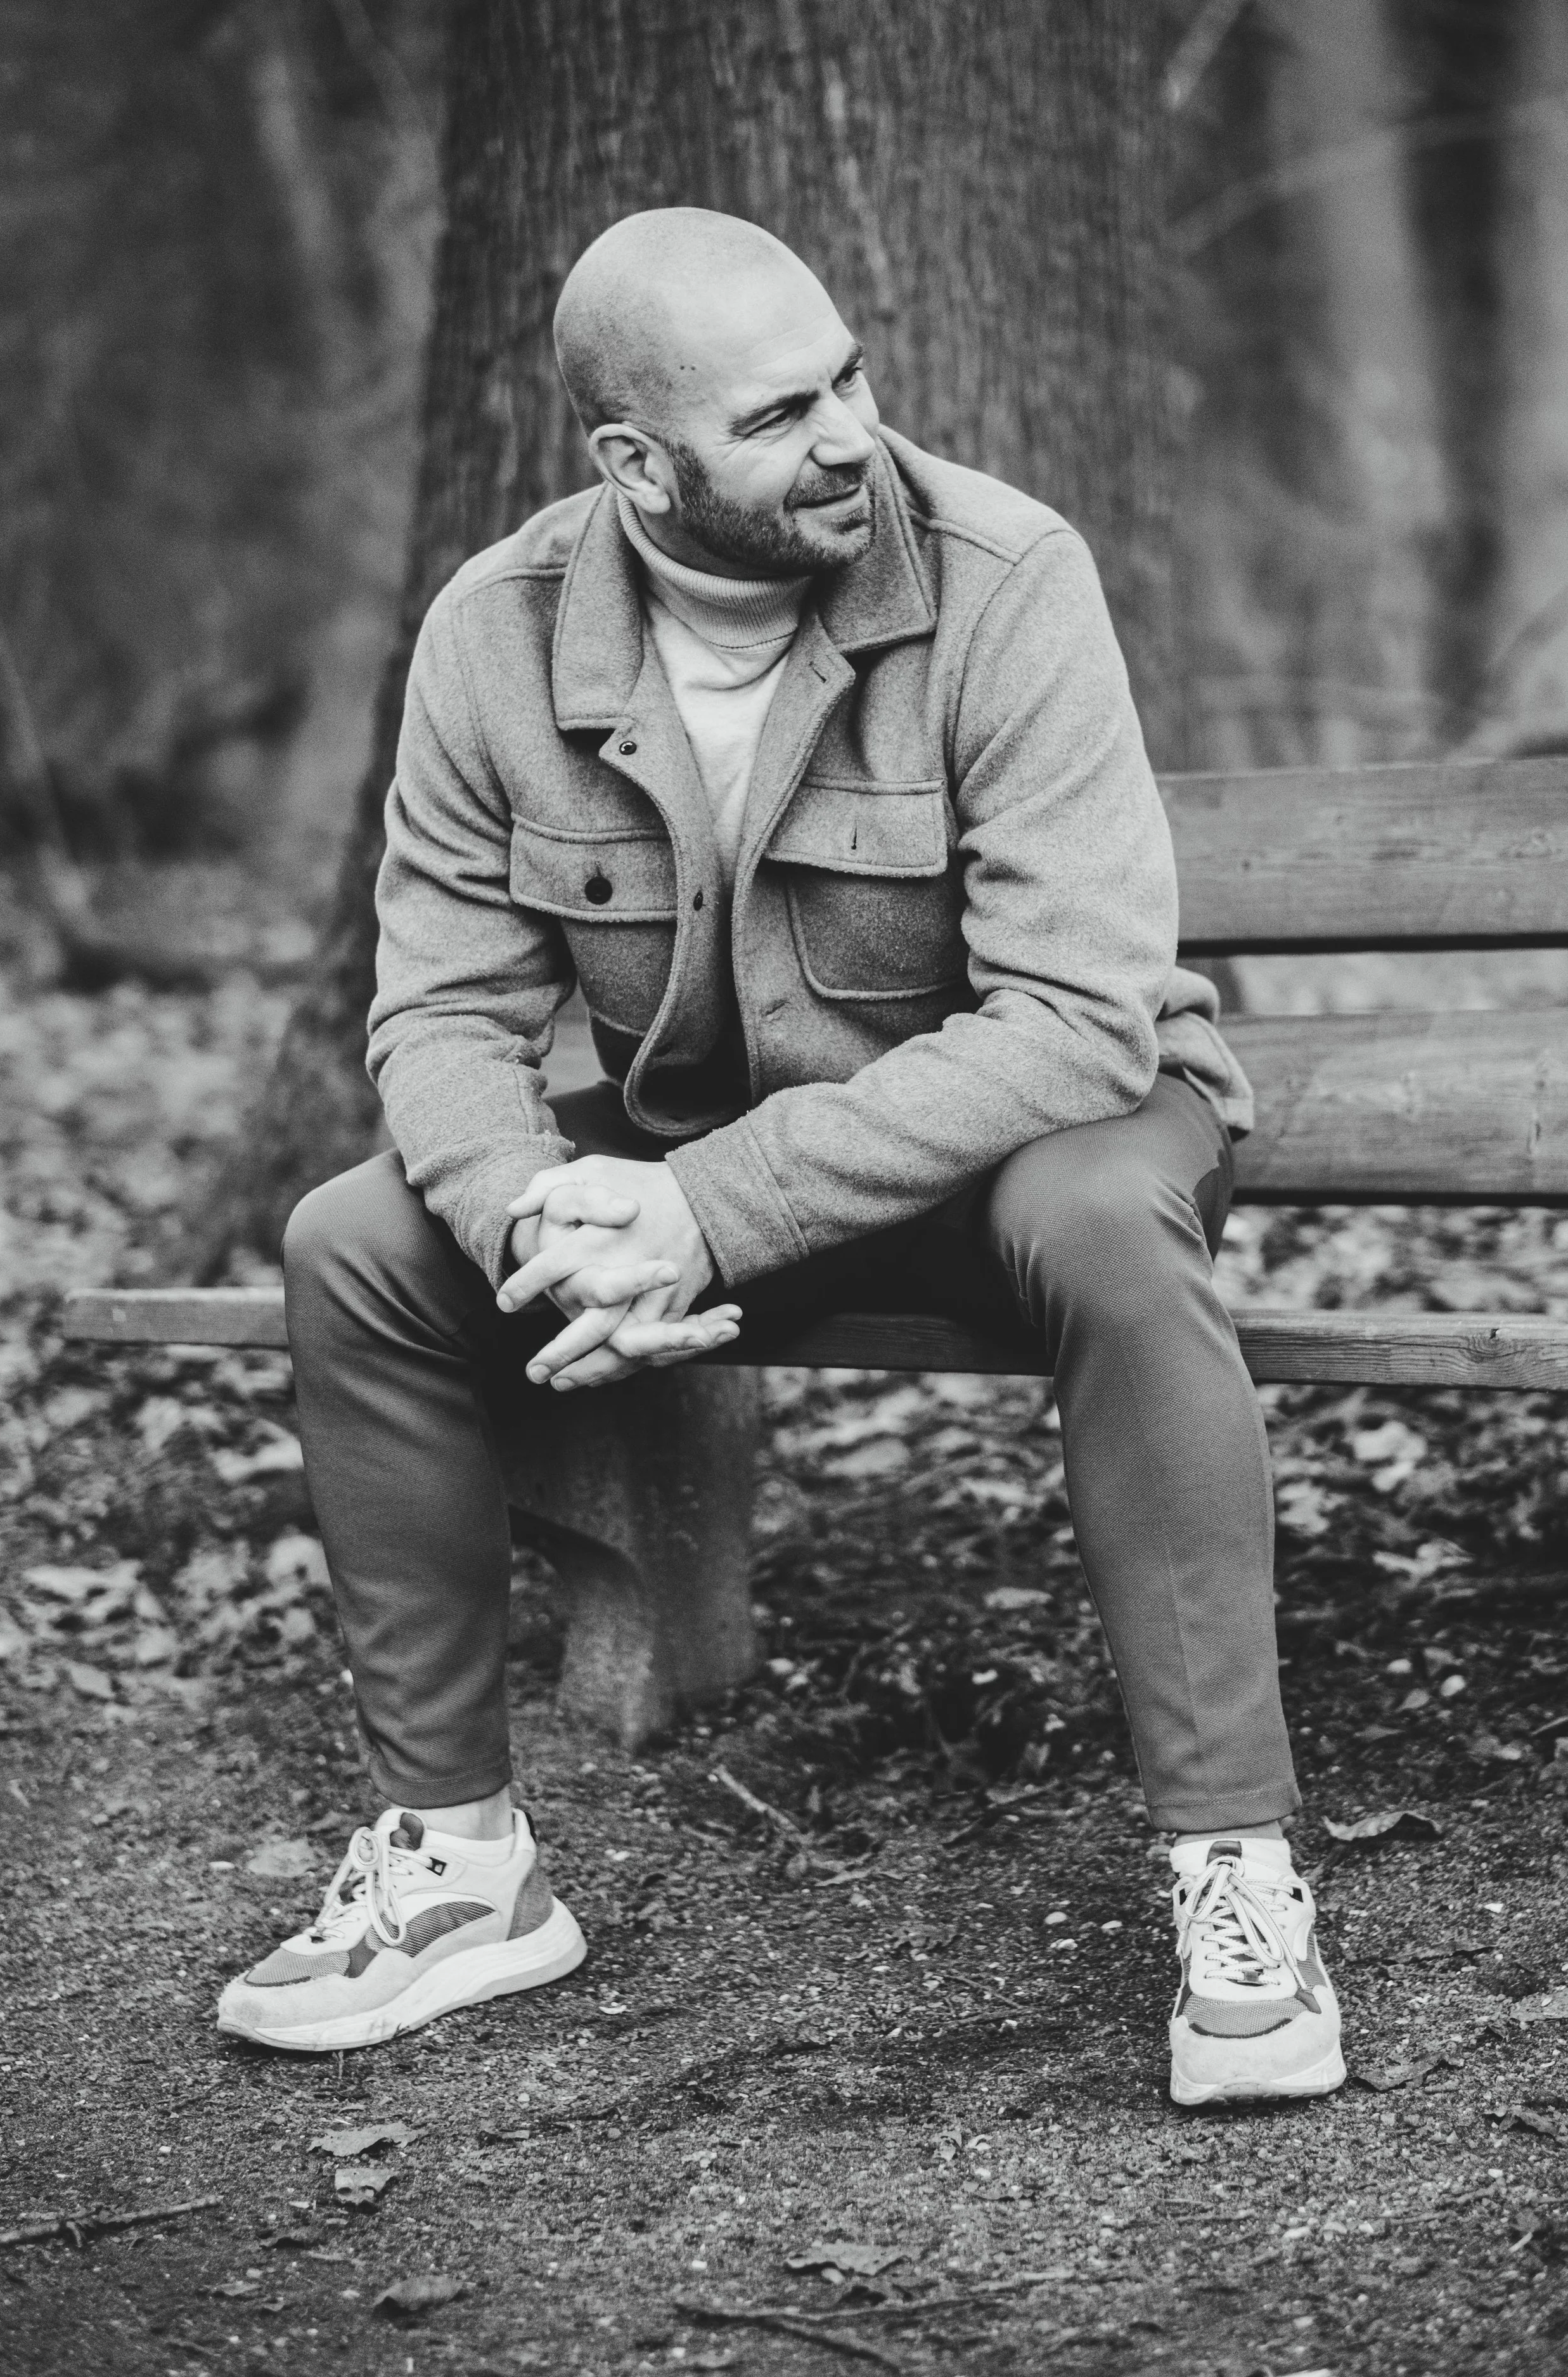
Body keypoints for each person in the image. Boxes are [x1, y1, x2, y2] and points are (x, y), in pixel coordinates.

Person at [217, 208, 1344, 2108]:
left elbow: (1075, 1017)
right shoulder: (495, 634)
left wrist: (696, 1213)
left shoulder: (1000, 576)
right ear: (634, 465)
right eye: (778, 414)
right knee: (356, 1239)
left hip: (1039, 1137)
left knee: (1099, 1213)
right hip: (710, 1174)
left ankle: (1235, 1871)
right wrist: (538, 1219)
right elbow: (437, 1019)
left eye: (848, 378)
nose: (845, 435)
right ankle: (461, 1865)